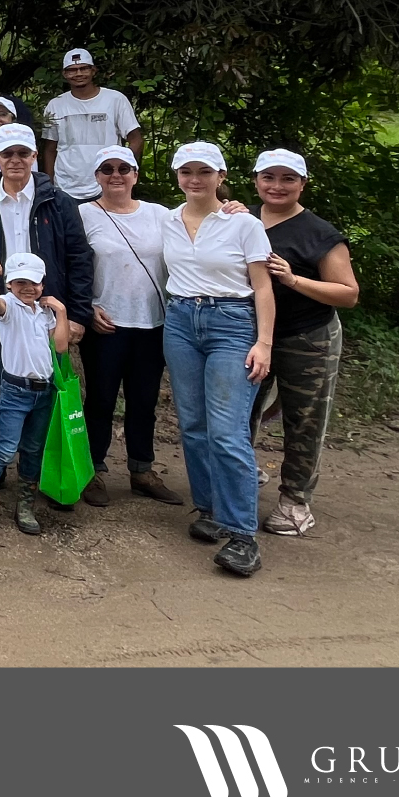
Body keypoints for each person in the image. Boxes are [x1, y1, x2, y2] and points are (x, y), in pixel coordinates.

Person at [0, 122, 95, 477]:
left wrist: (76, 314)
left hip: (46, 312)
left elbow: (78, 257)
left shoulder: (58, 201)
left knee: (47, 393)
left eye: (23, 153)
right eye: (8, 153)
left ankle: (43, 474)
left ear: (35, 156)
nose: (15, 160)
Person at [162, 141, 276, 577]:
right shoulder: (167, 219)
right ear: (177, 176)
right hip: (180, 321)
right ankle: (210, 508)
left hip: (232, 322)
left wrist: (263, 342)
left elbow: (262, 287)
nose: (195, 179)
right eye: (187, 171)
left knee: (227, 430)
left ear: (221, 176)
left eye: (204, 172)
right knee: (193, 424)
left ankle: (242, 533)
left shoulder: (243, 224)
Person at [249, 148, 360, 538]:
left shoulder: (319, 234)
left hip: (306, 336)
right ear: (256, 180)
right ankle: (243, 476)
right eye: (269, 178)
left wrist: (294, 279)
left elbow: (347, 294)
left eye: (287, 179)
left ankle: (296, 501)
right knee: (242, 412)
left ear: (303, 184)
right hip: (251, 334)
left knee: (303, 419)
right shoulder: (241, 219)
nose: (277, 186)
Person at [76, 146, 184, 507]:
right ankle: (93, 470)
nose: (115, 174)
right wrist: (86, 308)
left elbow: (202, 224)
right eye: (106, 168)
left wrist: (233, 208)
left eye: (124, 168)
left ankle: (142, 470)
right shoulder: (83, 215)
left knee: (144, 400)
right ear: (96, 177)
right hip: (106, 323)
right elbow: (72, 267)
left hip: (152, 322)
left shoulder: (161, 215)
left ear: (136, 174)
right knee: (101, 400)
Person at [0, 253, 71, 539]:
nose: (28, 288)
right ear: (9, 284)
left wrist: (61, 311)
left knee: (33, 449)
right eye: (20, 282)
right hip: (15, 390)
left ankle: (25, 504)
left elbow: (60, 347)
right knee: (5, 447)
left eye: (34, 282)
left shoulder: (45, 311)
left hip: (44, 391)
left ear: (42, 284)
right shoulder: (8, 307)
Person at [41, 48, 144, 204]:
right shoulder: (55, 105)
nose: (78, 73)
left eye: (84, 68)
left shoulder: (115, 100)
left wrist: (121, 168)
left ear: (93, 70)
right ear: (64, 74)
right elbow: (49, 148)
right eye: (72, 70)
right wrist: (50, 184)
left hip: (106, 185)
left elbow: (136, 139)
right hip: (66, 187)